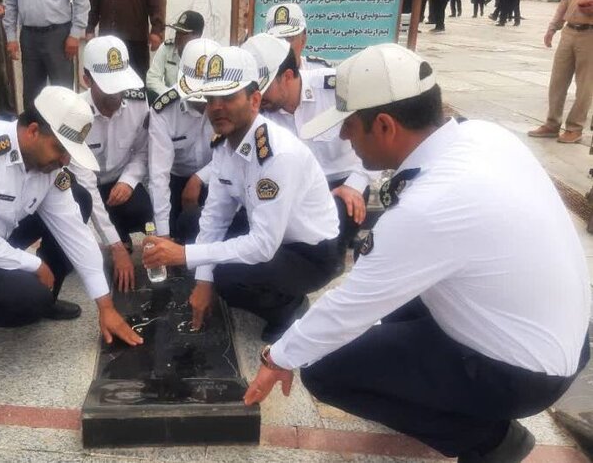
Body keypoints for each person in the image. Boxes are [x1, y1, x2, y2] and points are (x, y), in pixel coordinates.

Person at [242, 43, 590, 463]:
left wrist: (278, 356)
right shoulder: (482, 134)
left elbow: (349, 307)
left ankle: (490, 442)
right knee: (392, 312)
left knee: (324, 366)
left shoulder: (430, 205)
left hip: (524, 374)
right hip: (567, 335)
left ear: (385, 125)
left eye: (349, 124)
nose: (344, 136)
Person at [0, 86, 143, 351]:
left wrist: (106, 305)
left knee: (78, 198)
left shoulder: (48, 166)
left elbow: (74, 230)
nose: (64, 160)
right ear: (32, 131)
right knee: (29, 302)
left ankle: (45, 296)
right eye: (60, 149)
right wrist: (34, 265)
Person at [142, 47, 342, 342]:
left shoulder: (276, 155)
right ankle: (231, 281)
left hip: (311, 252)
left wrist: (185, 255)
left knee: (228, 275)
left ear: (254, 100)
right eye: (211, 99)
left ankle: (289, 307)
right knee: (190, 223)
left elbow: (263, 246)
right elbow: (215, 216)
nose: (217, 107)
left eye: (229, 97)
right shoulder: (225, 143)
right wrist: (202, 281)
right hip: (273, 233)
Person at [242, 33, 377, 255]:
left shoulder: (336, 87)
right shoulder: (261, 109)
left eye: (263, 88)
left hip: (340, 183)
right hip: (293, 187)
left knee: (337, 219)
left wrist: (355, 183)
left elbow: (377, 136)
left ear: (286, 76)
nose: (257, 97)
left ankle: (332, 257)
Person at [74, 36, 151, 252]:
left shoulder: (138, 102)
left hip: (117, 181)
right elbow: (86, 184)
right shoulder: (74, 113)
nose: (117, 92)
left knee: (143, 210)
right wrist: (114, 245)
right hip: (84, 187)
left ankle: (120, 231)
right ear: (86, 79)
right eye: (109, 85)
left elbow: (142, 150)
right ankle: (115, 238)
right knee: (83, 223)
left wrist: (128, 180)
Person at [148, 38, 220, 242]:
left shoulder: (229, 103)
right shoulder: (163, 110)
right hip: (176, 178)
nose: (204, 102)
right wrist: (163, 234)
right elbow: (158, 174)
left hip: (217, 173)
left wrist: (199, 178)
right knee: (173, 231)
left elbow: (234, 154)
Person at [3, 0, 89, 110]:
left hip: (58, 36)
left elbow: (81, 0)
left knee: (63, 93)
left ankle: (63, 127)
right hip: (29, 37)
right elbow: (10, 3)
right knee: (31, 94)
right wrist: (11, 36)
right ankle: (33, 126)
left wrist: (75, 33)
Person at [527, 0, 593, 144]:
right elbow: (563, 6)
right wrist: (552, 28)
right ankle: (552, 124)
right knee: (557, 81)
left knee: (585, 85)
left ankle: (575, 128)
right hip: (569, 31)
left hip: (590, 35)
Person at [87, 0, 166, 80]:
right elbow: (93, 2)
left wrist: (157, 29)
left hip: (135, 39)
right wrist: (90, 26)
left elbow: (157, 1)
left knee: (136, 82)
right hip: (107, 39)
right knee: (107, 81)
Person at [146, 10, 205, 99]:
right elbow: (152, 78)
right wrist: (172, 95)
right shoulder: (167, 47)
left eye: (183, 33)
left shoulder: (205, 54)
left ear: (197, 35)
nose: (178, 36)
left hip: (194, 101)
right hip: (169, 99)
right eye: (177, 31)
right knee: (149, 95)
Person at [265, 3, 333, 70]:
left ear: (303, 40)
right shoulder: (258, 75)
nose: (283, 45)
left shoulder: (319, 71)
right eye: (277, 39)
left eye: (289, 38)